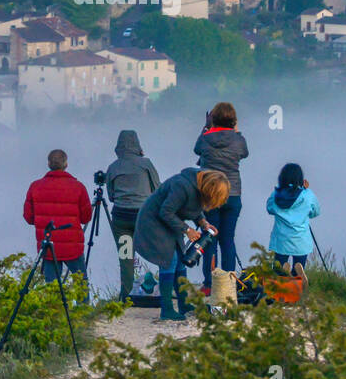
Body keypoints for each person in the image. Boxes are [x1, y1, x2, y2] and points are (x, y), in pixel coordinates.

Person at [133, 168, 229, 321]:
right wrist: (187, 230)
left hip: (171, 222)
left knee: (181, 262)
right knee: (169, 261)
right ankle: (167, 310)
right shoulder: (182, 186)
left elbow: (192, 207)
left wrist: (203, 223)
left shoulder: (198, 187)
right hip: (153, 222)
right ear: (209, 190)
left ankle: (184, 304)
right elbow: (165, 212)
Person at [194, 102, 248, 292]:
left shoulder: (206, 138)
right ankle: (229, 283)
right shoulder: (238, 140)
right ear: (233, 121)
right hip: (233, 194)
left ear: (213, 119)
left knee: (209, 239)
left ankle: (209, 284)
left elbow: (196, 150)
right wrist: (236, 131)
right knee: (228, 239)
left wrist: (206, 128)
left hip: (209, 194)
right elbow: (244, 153)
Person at [22, 149, 92, 294]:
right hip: (73, 244)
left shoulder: (35, 187)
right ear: (66, 164)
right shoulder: (78, 187)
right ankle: (84, 314)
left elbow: (29, 217)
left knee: (52, 288)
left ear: (48, 164)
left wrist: (43, 220)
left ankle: (55, 313)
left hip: (48, 245)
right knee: (81, 284)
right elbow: (86, 218)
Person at [103, 129, 161, 301]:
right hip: (143, 218)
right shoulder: (146, 164)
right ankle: (165, 288)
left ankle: (126, 296)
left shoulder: (113, 167)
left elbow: (111, 196)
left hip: (121, 219)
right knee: (159, 252)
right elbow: (157, 188)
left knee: (126, 257)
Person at [265, 163, 320, 280]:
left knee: (277, 273)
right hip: (301, 242)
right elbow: (315, 212)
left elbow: (269, 209)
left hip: (281, 241)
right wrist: (305, 191)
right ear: (300, 179)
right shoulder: (307, 195)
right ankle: (296, 286)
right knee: (298, 272)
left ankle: (279, 287)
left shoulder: (276, 195)